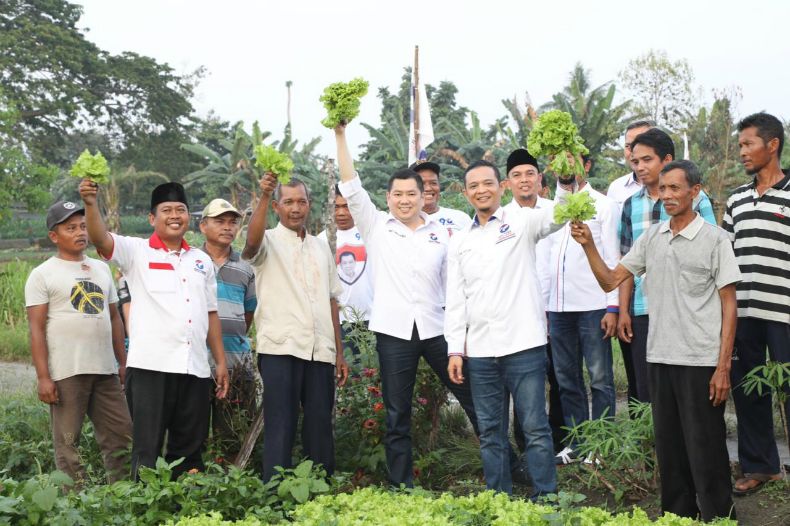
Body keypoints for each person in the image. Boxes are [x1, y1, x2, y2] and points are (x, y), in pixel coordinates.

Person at [335, 123, 509, 488]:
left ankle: (507, 467)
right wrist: (340, 135)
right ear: (388, 198)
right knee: (397, 412)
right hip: (394, 333)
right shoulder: (377, 227)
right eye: (397, 195)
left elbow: (459, 284)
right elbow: (350, 186)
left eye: (410, 194)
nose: (404, 200)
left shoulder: (443, 233)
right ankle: (402, 485)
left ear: (423, 196)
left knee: (473, 397)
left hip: (437, 330)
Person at [571, 159, 739, 521]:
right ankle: (678, 516)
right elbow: (609, 281)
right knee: (670, 448)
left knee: (706, 447)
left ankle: (719, 517)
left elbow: (730, 307)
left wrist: (723, 366)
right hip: (659, 357)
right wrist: (588, 245)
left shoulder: (715, 240)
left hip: (701, 362)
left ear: (695, 192)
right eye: (663, 189)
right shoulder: (652, 238)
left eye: (675, 188)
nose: (667, 195)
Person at [79, 180, 229, 480]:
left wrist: (220, 361)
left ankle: (185, 511)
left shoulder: (201, 261)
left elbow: (210, 313)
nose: (174, 215)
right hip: (151, 368)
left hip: (196, 369)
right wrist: (91, 203)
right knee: (146, 450)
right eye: (166, 210)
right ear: (152, 218)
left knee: (190, 450)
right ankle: (146, 511)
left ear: (189, 216)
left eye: (181, 210)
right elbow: (100, 238)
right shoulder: (137, 251)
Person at [446, 159, 560, 498]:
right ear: (466, 193)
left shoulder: (523, 221)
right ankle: (500, 502)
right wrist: (455, 349)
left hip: (524, 346)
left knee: (535, 428)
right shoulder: (460, 241)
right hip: (480, 353)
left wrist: (569, 175)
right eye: (474, 186)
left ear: (502, 187)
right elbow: (456, 299)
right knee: (491, 431)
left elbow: (562, 214)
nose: (482, 190)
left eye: (488, 183)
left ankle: (546, 499)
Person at [242, 173, 349, 482]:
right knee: (281, 425)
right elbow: (250, 243)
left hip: (320, 351)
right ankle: (275, 494)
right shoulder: (268, 241)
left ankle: (320, 490)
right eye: (288, 202)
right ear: (276, 206)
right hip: (281, 348)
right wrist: (261, 196)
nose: (296, 208)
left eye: (301, 202)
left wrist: (338, 353)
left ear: (310, 205)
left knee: (319, 425)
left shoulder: (320, 247)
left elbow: (331, 301)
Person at [25, 201, 132, 484]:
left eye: (83, 226)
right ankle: (77, 503)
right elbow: (36, 329)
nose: (80, 232)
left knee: (121, 435)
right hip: (67, 372)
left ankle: (121, 495)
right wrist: (43, 377)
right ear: (54, 236)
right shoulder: (43, 274)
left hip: (106, 371)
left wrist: (123, 363)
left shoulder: (100, 269)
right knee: (68, 442)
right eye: (70, 228)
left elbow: (115, 318)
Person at [618, 129, 717, 404]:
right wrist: (624, 311)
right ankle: (651, 447)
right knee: (646, 393)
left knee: (687, 395)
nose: (639, 167)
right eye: (635, 161)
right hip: (643, 310)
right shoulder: (629, 206)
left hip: (686, 311)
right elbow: (625, 264)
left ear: (667, 160)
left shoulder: (695, 199)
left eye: (647, 159)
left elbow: (712, 254)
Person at [724, 112, 790, 495]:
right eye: (741, 145)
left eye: (749, 144)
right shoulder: (736, 199)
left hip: (784, 314)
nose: (743, 152)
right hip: (744, 315)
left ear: (773, 144)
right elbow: (726, 260)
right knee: (749, 390)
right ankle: (761, 466)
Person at [540, 151, 620, 464]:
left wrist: (612, 307)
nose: (564, 167)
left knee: (599, 378)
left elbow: (613, 258)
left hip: (593, 305)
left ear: (586, 165)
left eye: (571, 160)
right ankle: (577, 444)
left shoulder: (603, 205)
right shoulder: (552, 209)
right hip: (558, 308)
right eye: (557, 161)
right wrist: (545, 306)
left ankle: (601, 443)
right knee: (566, 378)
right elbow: (547, 257)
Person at [502, 148, 566, 454]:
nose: (524, 180)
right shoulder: (501, 218)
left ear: (539, 178)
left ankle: (560, 443)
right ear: (507, 183)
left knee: (560, 379)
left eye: (529, 173)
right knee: (525, 386)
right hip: (520, 315)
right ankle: (527, 447)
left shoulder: (556, 211)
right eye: (517, 175)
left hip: (556, 310)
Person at [198, 198, 258, 460]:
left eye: (232, 222)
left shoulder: (246, 267)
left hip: (237, 364)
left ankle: (231, 488)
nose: (227, 227)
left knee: (234, 434)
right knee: (194, 435)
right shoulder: (192, 263)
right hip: (198, 365)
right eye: (219, 221)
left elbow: (248, 313)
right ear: (203, 226)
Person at [318, 190, 374, 362]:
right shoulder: (321, 240)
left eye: (346, 206)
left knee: (375, 374)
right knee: (350, 375)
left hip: (373, 317)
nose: (341, 212)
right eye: (336, 207)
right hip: (340, 321)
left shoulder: (370, 234)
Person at [410, 161, 472, 235]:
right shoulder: (400, 223)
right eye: (421, 183)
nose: (428, 188)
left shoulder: (460, 218)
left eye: (433, 183)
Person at [606, 120, 654, 211]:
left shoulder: (670, 186)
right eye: (628, 146)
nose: (632, 152)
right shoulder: (616, 187)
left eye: (638, 144)